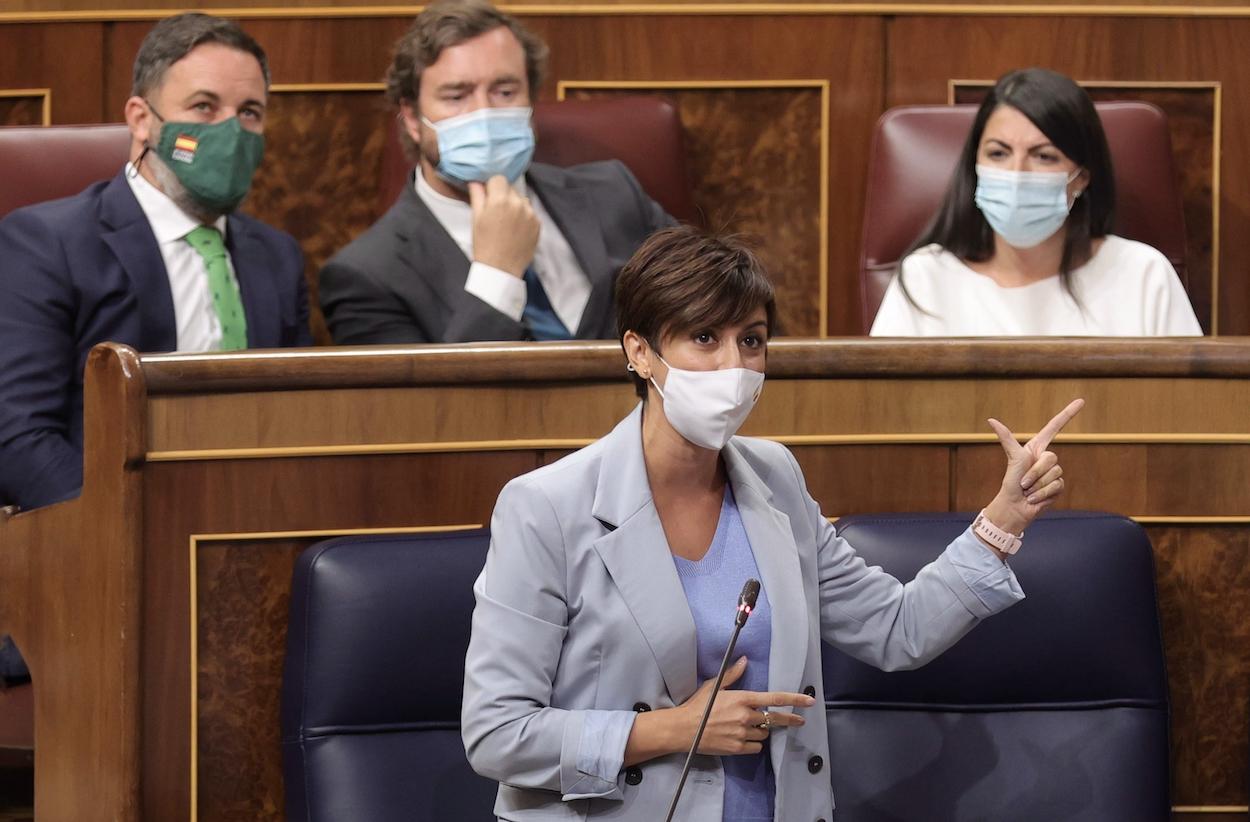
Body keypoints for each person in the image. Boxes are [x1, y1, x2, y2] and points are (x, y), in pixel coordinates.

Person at [462, 225, 1084, 821]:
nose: (734, 365)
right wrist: (673, 729)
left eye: (751, 341)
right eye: (704, 338)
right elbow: (496, 732)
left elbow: (896, 629)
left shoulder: (775, 477)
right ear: (640, 352)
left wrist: (1004, 519)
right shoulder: (546, 506)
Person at [0, 12, 311, 513]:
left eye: (250, 112)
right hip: (107, 536)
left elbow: (302, 421)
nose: (230, 132)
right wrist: (125, 529)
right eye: (204, 107)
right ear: (142, 119)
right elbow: (17, 436)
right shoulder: (46, 243)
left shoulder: (277, 257)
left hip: (256, 530)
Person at [318, 0, 674, 345]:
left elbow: (711, 305)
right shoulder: (365, 276)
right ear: (412, 119)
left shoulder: (614, 192)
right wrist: (497, 273)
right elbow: (422, 406)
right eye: (456, 96)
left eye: (505, 91)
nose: (484, 114)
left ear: (531, 101)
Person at [869, 67, 1201, 337]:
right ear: (976, 164)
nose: (1016, 174)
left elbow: (1189, 411)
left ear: (1082, 177)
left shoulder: (1142, 275)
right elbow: (882, 412)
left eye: (1043, 156)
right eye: (998, 153)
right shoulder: (926, 278)